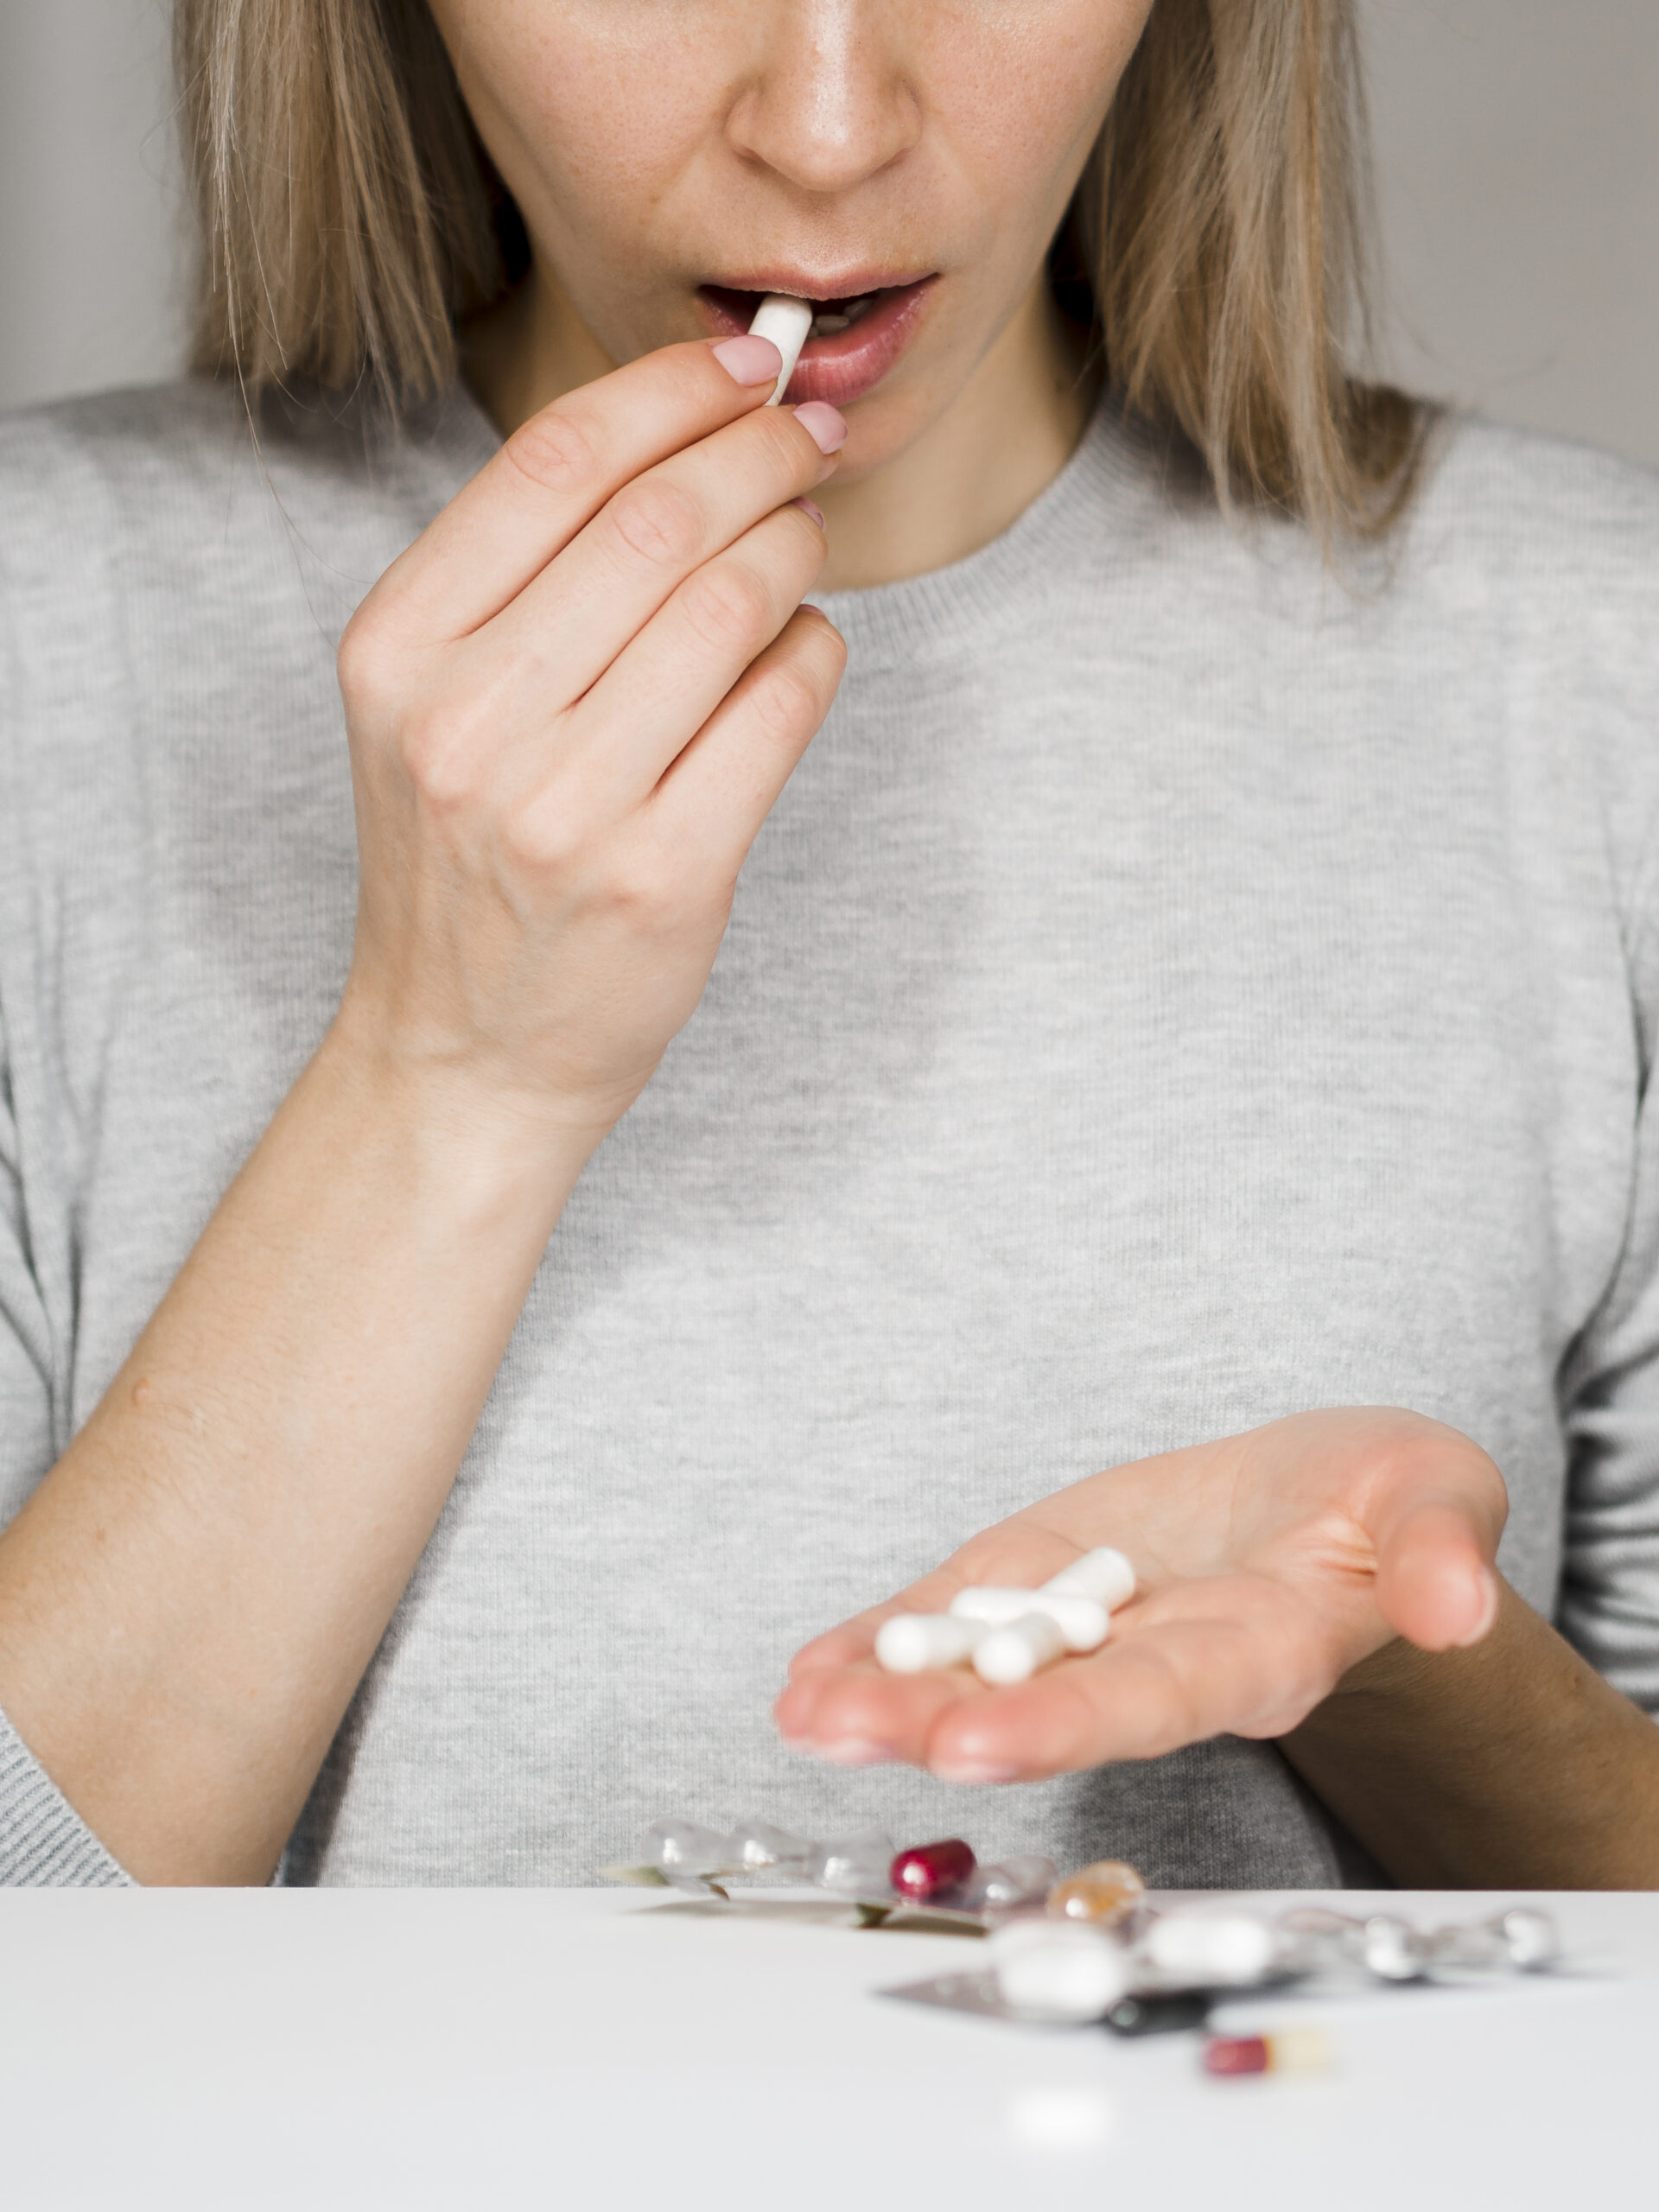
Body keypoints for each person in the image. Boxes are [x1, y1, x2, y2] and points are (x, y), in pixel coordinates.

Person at [0, 0, 1656, 1891]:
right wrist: (446, 1078)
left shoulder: (1603, 677)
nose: (829, 123)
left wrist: (1405, 1672)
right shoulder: (36, 640)